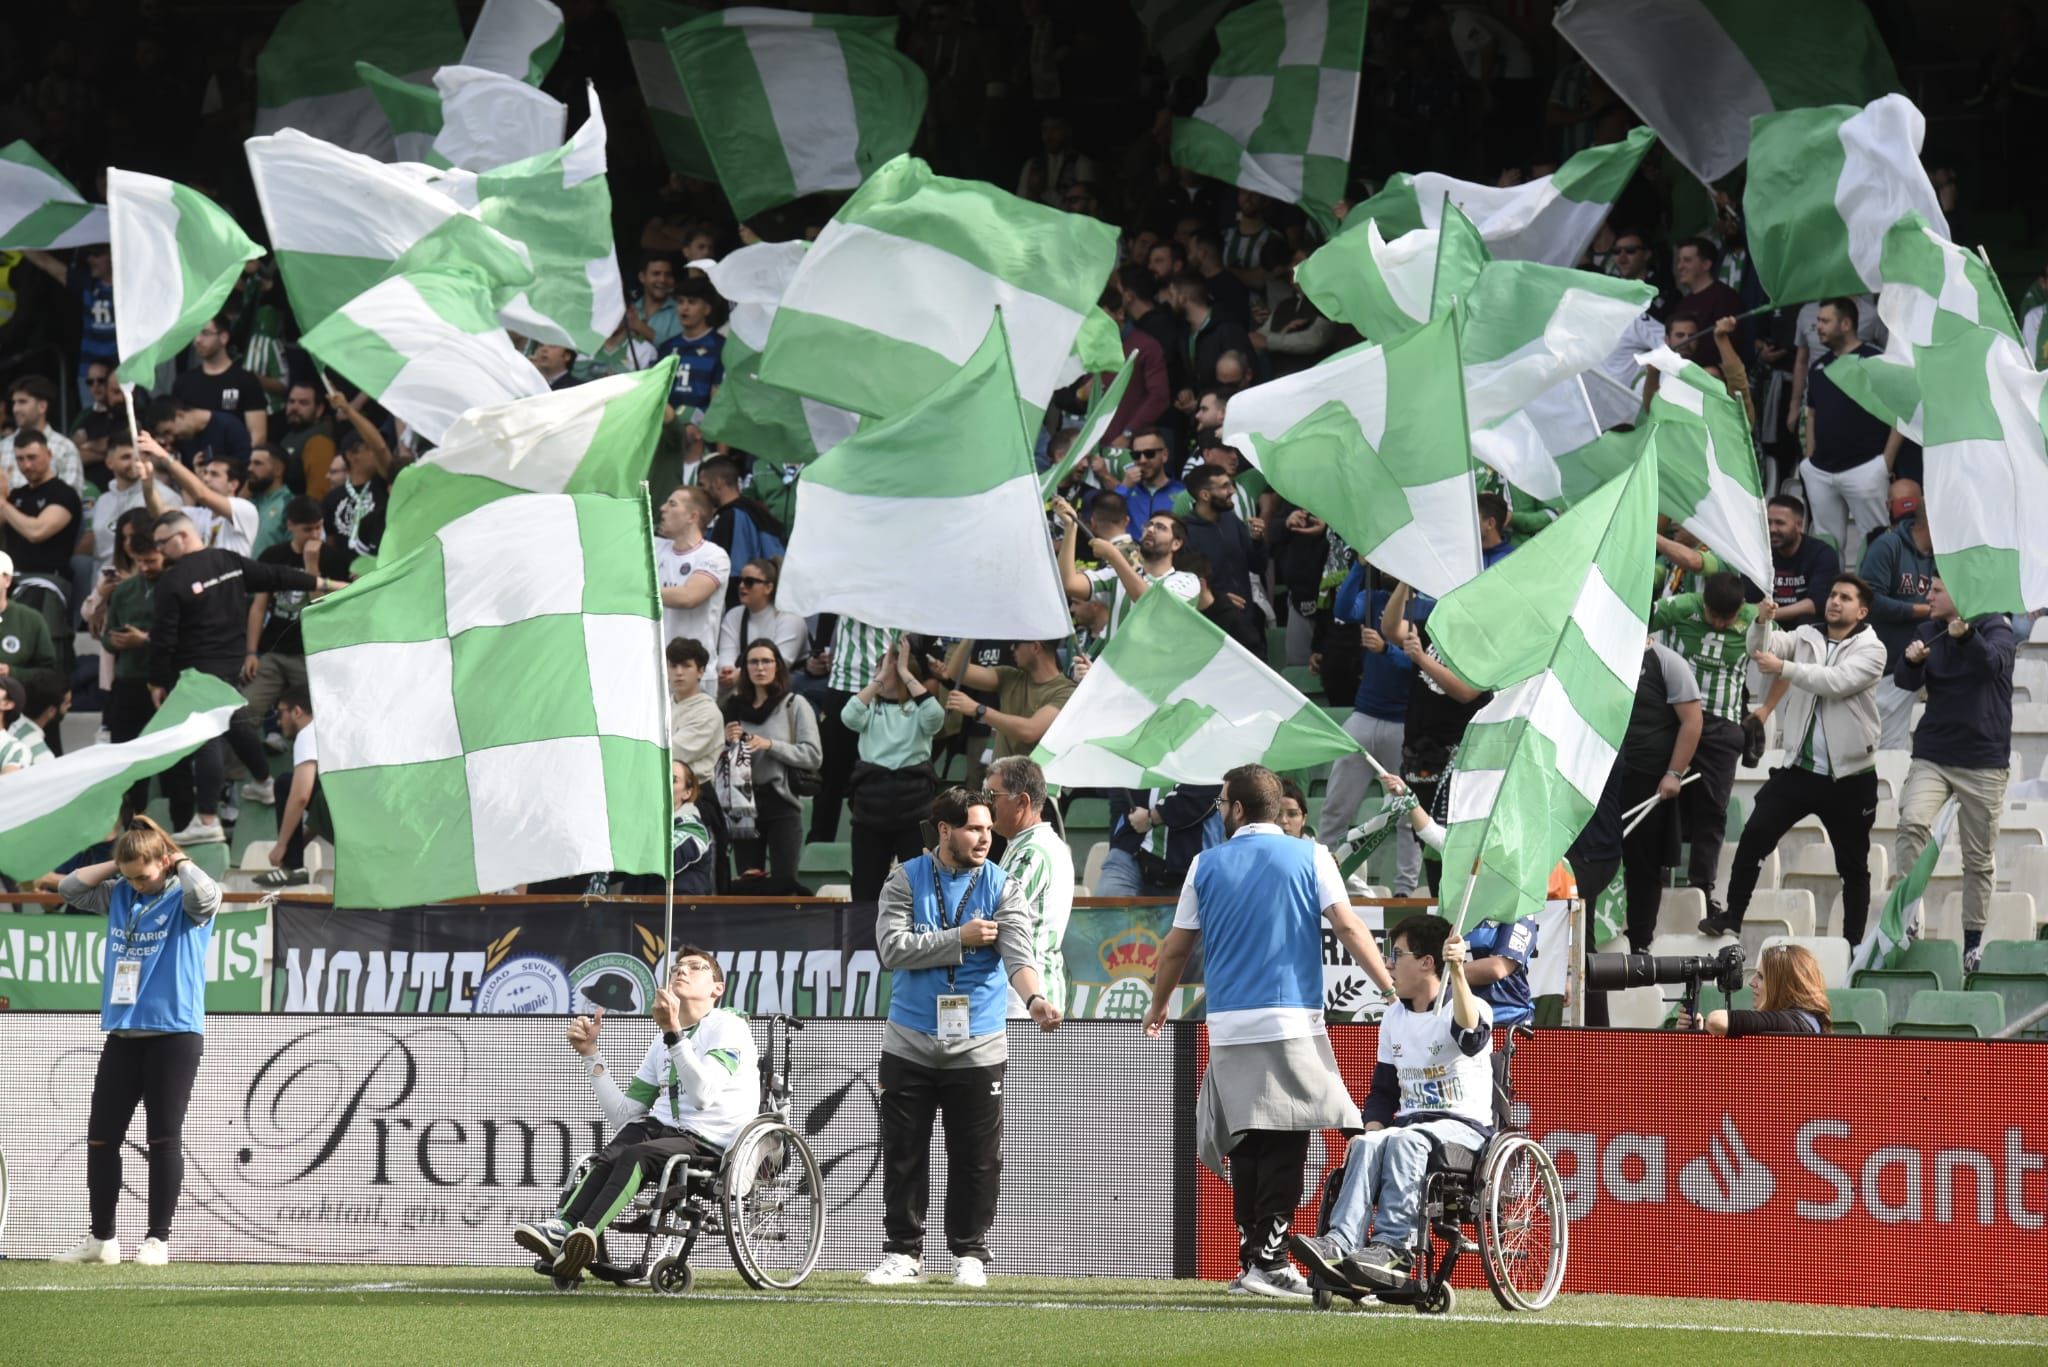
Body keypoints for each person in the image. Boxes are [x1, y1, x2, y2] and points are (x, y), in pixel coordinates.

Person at [1145, 765, 1392, 1301]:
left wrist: (1160, 1005)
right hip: (1289, 1020)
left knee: (1249, 1139)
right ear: (1276, 807)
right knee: (1286, 1140)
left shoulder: (1204, 863)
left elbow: (1176, 948)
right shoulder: (1311, 855)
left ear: (1235, 808)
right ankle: (1270, 1262)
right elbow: (1347, 926)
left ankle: (1254, 1259)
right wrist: (1387, 984)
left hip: (1230, 1023)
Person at [866, 788, 1062, 1289]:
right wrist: (960, 939)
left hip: (979, 1042)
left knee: (976, 1158)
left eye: (989, 829)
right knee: (904, 1153)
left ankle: (970, 1253)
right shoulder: (903, 878)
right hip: (909, 1038)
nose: (985, 837)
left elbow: (1019, 954)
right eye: (974, 828)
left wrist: (1036, 999)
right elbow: (892, 950)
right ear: (944, 830)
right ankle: (903, 1253)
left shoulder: (1003, 885)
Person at [513, 947, 760, 1279]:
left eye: (695, 967)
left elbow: (703, 1095)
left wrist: (673, 1033)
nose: (681, 971)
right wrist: (590, 1054)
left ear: (717, 988)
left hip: (711, 1141)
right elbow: (623, 1113)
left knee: (636, 1154)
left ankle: (579, 1235)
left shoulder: (727, 1026)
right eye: (677, 967)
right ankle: (562, 1229)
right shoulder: (661, 1042)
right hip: (664, 1131)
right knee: (613, 1150)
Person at [53, 818, 222, 1266]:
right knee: (101, 1138)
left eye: (144, 875)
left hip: (174, 1033)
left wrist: (177, 856)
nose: (137, 885)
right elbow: (70, 889)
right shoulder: (122, 892)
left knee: (163, 1137)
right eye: (129, 878)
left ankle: (157, 1241)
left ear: (165, 861)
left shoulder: (185, 896)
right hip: (123, 1033)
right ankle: (102, 1240)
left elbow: (208, 895)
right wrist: (123, 861)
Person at [1289, 912, 1489, 1291]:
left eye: (1397, 955)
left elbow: (1472, 1039)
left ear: (1427, 962)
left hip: (1463, 1130)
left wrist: (1459, 971)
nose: (1389, 964)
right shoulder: (1394, 1017)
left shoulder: (1465, 1006)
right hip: (1413, 1125)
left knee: (1402, 1139)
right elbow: (1383, 1093)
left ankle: (1393, 1248)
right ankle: (1340, 1244)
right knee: (1369, 1140)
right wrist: (1368, 1134)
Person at [148, 489, 334, 844]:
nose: (158, 552)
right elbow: (279, 576)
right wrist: (326, 584)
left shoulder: (172, 582)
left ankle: (206, 819)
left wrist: (157, 681)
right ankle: (264, 782)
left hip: (196, 673)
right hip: (230, 665)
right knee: (234, 723)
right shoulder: (228, 561)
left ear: (183, 536)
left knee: (208, 738)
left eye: (161, 544)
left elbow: (163, 638)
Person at [1704, 577, 1885, 940]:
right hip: (1799, 770)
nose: (1835, 601)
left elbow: (1835, 682)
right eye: (1832, 594)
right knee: (1755, 835)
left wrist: (1783, 668)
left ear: (1861, 611)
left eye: (1845, 598)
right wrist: (1761, 621)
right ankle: (1732, 917)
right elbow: (1760, 649)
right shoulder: (1806, 635)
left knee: (1852, 866)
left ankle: (1852, 944)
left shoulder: (1873, 649)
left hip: (1849, 776)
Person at [1894, 578, 2016, 968]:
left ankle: (1973, 944)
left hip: (1983, 760)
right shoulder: (1929, 630)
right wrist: (1911, 661)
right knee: (1913, 821)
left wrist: (1965, 637)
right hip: (1934, 753)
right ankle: (1908, 916)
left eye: (1937, 591)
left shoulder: (1997, 626)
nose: (1927, 596)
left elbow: (1990, 666)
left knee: (1977, 859)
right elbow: (1904, 681)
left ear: (1961, 595)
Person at [1649, 572, 1756, 920]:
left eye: (1729, 618)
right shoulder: (1682, 607)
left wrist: (1766, 709)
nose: (1722, 624)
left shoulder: (1757, 620)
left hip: (1722, 726)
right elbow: (1640, 615)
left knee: (1713, 810)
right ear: (1703, 603)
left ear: (1741, 607)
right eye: (1715, 616)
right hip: (1676, 716)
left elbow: (1785, 659)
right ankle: (1657, 875)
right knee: (1664, 798)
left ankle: (1702, 887)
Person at [1323, 566, 1422, 894]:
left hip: (1404, 721)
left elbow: (1422, 661)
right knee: (1336, 805)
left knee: (1407, 813)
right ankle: (1323, 878)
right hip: (1363, 714)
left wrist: (1386, 649)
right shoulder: (1373, 597)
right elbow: (1341, 609)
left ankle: (1405, 890)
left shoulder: (1428, 607)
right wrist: (1360, 565)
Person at [1614, 641, 1703, 952]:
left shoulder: (1666, 663)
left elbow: (1692, 721)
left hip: (1649, 782)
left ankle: (1640, 943)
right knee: (1596, 860)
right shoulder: (1600, 649)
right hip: (1604, 780)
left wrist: (1674, 773)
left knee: (1644, 866)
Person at [843, 636, 945, 901]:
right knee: (866, 883)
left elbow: (936, 717)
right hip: (871, 805)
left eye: (888, 668)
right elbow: (848, 716)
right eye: (881, 668)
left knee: (921, 883)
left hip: (914, 805)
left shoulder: (919, 709)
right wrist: (878, 680)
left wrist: (904, 673)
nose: (883, 673)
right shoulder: (869, 708)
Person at [717, 641, 820, 891]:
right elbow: (720, 761)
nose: (760, 667)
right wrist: (725, 740)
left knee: (784, 881)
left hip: (781, 801)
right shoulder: (732, 706)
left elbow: (813, 755)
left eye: (767, 661)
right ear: (745, 668)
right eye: (753, 662)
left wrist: (769, 744)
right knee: (748, 883)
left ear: (778, 666)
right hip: (743, 805)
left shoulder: (793, 704)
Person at [1801, 298, 1898, 556]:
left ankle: (1875, 596)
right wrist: (1810, 460)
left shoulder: (1877, 360)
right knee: (1825, 544)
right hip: (1821, 470)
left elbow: (1900, 413)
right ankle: (1831, 595)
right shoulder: (1818, 367)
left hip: (1867, 467)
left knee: (1877, 542)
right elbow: (1811, 415)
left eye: (1824, 321)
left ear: (1845, 324)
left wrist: (1885, 462)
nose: (1817, 327)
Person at [987, 755, 1075, 1014]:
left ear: (1022, 801)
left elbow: (992, 915)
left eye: (993, 795)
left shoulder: (1033, 851)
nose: (986, 803)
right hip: (1030, 991)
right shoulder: (1030, 844)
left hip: (1025, 998)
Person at [928, 638, 1075, 781]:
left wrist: (979, 710)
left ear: (1036, 647)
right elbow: (956, 672)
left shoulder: (1066, 691)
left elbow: (1030, 731)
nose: (1011, 648)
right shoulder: (1010, 676)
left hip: (1033, 791)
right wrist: (970, 634)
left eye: (1016, 644)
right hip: (999, 785)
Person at [1055, 498, 1199, 643]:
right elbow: (1069, 583)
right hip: (1114, 665)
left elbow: (1149, 602)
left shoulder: (1187, 581)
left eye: (1160, 527)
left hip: (1157, 665)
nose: (1150, 529)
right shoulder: (1117, 574)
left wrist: (1113, 556)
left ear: (1176, 544)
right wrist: (1070, 528)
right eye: (1149, 524)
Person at [1857, 500, 1937, 751]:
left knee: (1906, 747)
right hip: (1888, 666)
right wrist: (1924, 610)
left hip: (1925, 664)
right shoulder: (1888, 545)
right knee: (1880, 746)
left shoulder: (1943, 557)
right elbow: (1870, 599)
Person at [655, 486, 730, 691]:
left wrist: (636, 593)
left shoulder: (714, 556)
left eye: (672, 504)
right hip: (656, 670)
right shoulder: (654, 548)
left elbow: (688, 597)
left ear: (692, 516)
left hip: (696, 673)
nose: (663, 509)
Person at [1679, 943, 1831, 1035]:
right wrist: (1699, 1032)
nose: (1752, 982)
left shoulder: (1794, 1023)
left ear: (1784, 986)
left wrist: (1708, 1025)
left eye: (1761, 977)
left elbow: (1716, 1021)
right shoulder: (1803, 1022)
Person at [258, 690, 323, 885]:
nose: (278, 722)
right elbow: (329, 798)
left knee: (286, 782)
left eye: (280, 713)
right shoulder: (330, 731)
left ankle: (291, 868)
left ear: (296, 711)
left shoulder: (309, 732)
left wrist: (282, 845)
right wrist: (302, 840)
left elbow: (301, 796)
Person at [716, 558, 807, 694]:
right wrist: (726, 670)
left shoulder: (790, 618)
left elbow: (782, 662)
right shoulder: (734, 615)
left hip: (786, 685)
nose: (742, 586)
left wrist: (741, 675)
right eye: (740, 580)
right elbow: (727, 653)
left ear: (768, 587)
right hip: (749, 681)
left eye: (749, 582)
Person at [172, 316, 269, 443]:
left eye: (205, 333)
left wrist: (245, 461)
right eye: (194, 334)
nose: (197, 340)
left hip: (234, 460)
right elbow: (175, 429)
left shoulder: (246, 380)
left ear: (223, 337)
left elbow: (258, 435)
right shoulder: (183, 382)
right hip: (190, 461)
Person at [1756, 494, 1838, 626]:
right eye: (1768, 522)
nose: (1772, 529)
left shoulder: (1822, 554)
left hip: (1806, 628)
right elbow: (1748, 599)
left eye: (1780, 523)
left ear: (1799, 525)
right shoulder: (1759, 553)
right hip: (1766, 626)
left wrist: (1770, 614)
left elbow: (1816, 603)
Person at [4, 375, 85, 490]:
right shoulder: (2, 447)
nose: (15, 409)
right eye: (14, 403)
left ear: (42, 407)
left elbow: (70, 499)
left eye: (22, 402)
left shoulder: (65, 448)